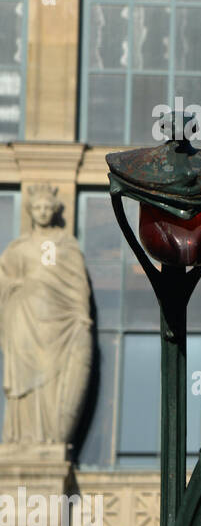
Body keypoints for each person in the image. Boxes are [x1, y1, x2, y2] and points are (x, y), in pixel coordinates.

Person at [0, 185, 93, 447]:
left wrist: (81, 317)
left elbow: (77, 285)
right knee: (27, 382)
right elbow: (3, 279)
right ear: (30, 211)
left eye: (46, 207)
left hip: (59, 322)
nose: (42, 212)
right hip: (24, 319)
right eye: (37, 208)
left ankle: (49, 436)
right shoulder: (18, 248)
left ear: (54, 210)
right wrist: (16, 288)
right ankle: (25, 437)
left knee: (52, 380)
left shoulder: (66, 245)